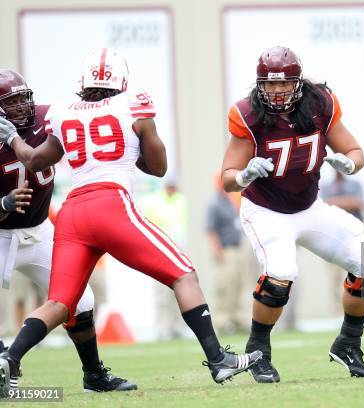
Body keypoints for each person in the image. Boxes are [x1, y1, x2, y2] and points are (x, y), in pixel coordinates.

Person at [0, 49, 261, 397]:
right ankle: (218, 359)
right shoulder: (133, 105)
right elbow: (159, 167)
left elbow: (33, 159)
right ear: (121, 82)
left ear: (83, 83)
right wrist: (135, 140)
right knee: (183, 273)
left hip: (71, 214)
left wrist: (12, 138)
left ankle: (11, 358)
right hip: (109, 204)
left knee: (62, 302)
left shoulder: (61, 112)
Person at [221, 46, 364, 383]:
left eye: (284, 84)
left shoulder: (319, 104)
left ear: (298, 82)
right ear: (260, 84)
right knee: (280, 273)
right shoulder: (249, 115)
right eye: (270, 84)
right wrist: (244, 175)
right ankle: (258, 353)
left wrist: (350, 163)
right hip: (265, 210)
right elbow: (227, 177)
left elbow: (355, 150)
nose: (277, 91)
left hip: (309, 207)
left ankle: (349, 343)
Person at [0, 69, 135, 392]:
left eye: (23, 98)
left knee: (82, 300)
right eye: (11, 102)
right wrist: (3, 203)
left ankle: (94, 375)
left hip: (38, 228)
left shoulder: (48, 117)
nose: (21, 107)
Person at [141, 178, 189, 339]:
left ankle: (177, 326)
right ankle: (163, 327)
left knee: (180, 290)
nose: (172, 189)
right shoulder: (154, 201)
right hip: (160, 250)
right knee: (161, 290)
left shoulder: (180, 199)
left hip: (178, 249)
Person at [205, 173, 253, 332]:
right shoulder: (214, 204)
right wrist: (217, 251)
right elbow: (210, 231)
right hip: (226, 250)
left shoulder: (231, 201)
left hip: (238, 248)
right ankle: (222, 321)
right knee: (225, 286)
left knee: (239, 284)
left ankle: (238, 319)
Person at [321, 170, 364, 315]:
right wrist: (345, 202)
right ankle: (338, 312)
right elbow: (323, 205)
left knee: (363, 272)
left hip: (353, 235)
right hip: (333, 237)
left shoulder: (355, 184)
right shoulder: (326, 187)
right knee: (334, 276)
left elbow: (356, 202)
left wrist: (336, 203)